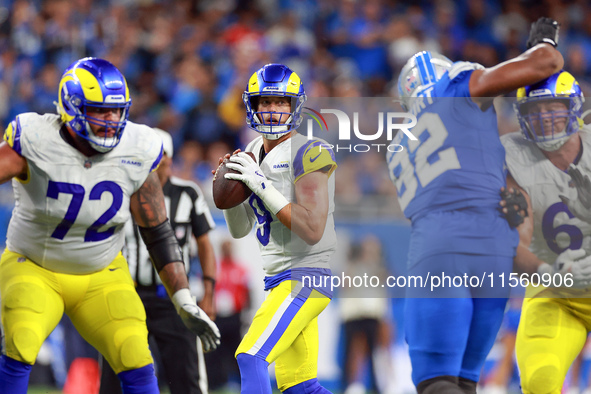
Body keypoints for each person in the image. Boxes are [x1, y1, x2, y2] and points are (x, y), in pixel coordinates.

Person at [0, 57, 220, 394]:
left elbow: (158, 231)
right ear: (72, 107)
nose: (111, 120)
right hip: (34, 266)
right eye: (101, 111)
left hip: (102, 272)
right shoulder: (35, 139)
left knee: (134, 353)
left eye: (117, 111)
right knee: (21, 339)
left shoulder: (138, 147)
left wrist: (182, 296)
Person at [387, 17, 563, 393]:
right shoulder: (457, 87)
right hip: (494, 247)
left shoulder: (398, 146)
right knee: (467, 382)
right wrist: (544, 40)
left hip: (439, 245)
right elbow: (546, 62)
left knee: (437, 380)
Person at [216, 63, 337, 394]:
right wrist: (229, 193)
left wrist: (260, 185)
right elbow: (240, 230)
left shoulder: (310, 151)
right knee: (300, 388)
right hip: (280, 279)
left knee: (250, 356)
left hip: (306, 275)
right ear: (252, 106)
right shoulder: (251, 153)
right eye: (264, 102)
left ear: (295, 105)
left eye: (280, 102)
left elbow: (312, 229)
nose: (271, 111)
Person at [99, 128, 217, 394]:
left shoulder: (187, 193)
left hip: (171, 298)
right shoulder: (120, 189)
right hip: (127, 294)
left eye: (158, 155)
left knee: (186, 378)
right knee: (114, 376)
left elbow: (206, 245)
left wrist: (209, 292)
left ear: (169, 159)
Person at [500, 70, 591, 393]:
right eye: (534, 111)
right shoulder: (516, 164)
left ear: (573, 109)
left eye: (553, 107)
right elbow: (516, 242)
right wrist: (550, 271)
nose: (545, 118)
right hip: (557, 293)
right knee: (541, 379)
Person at [205, 239, 250, 391]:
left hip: (234, 316)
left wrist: (247, 314)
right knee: (214, 350)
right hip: (217, 317)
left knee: (236, 350)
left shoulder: (241, 270)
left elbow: (247, 293)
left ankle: (239, 383)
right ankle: (214, 383)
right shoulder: (214, 269)